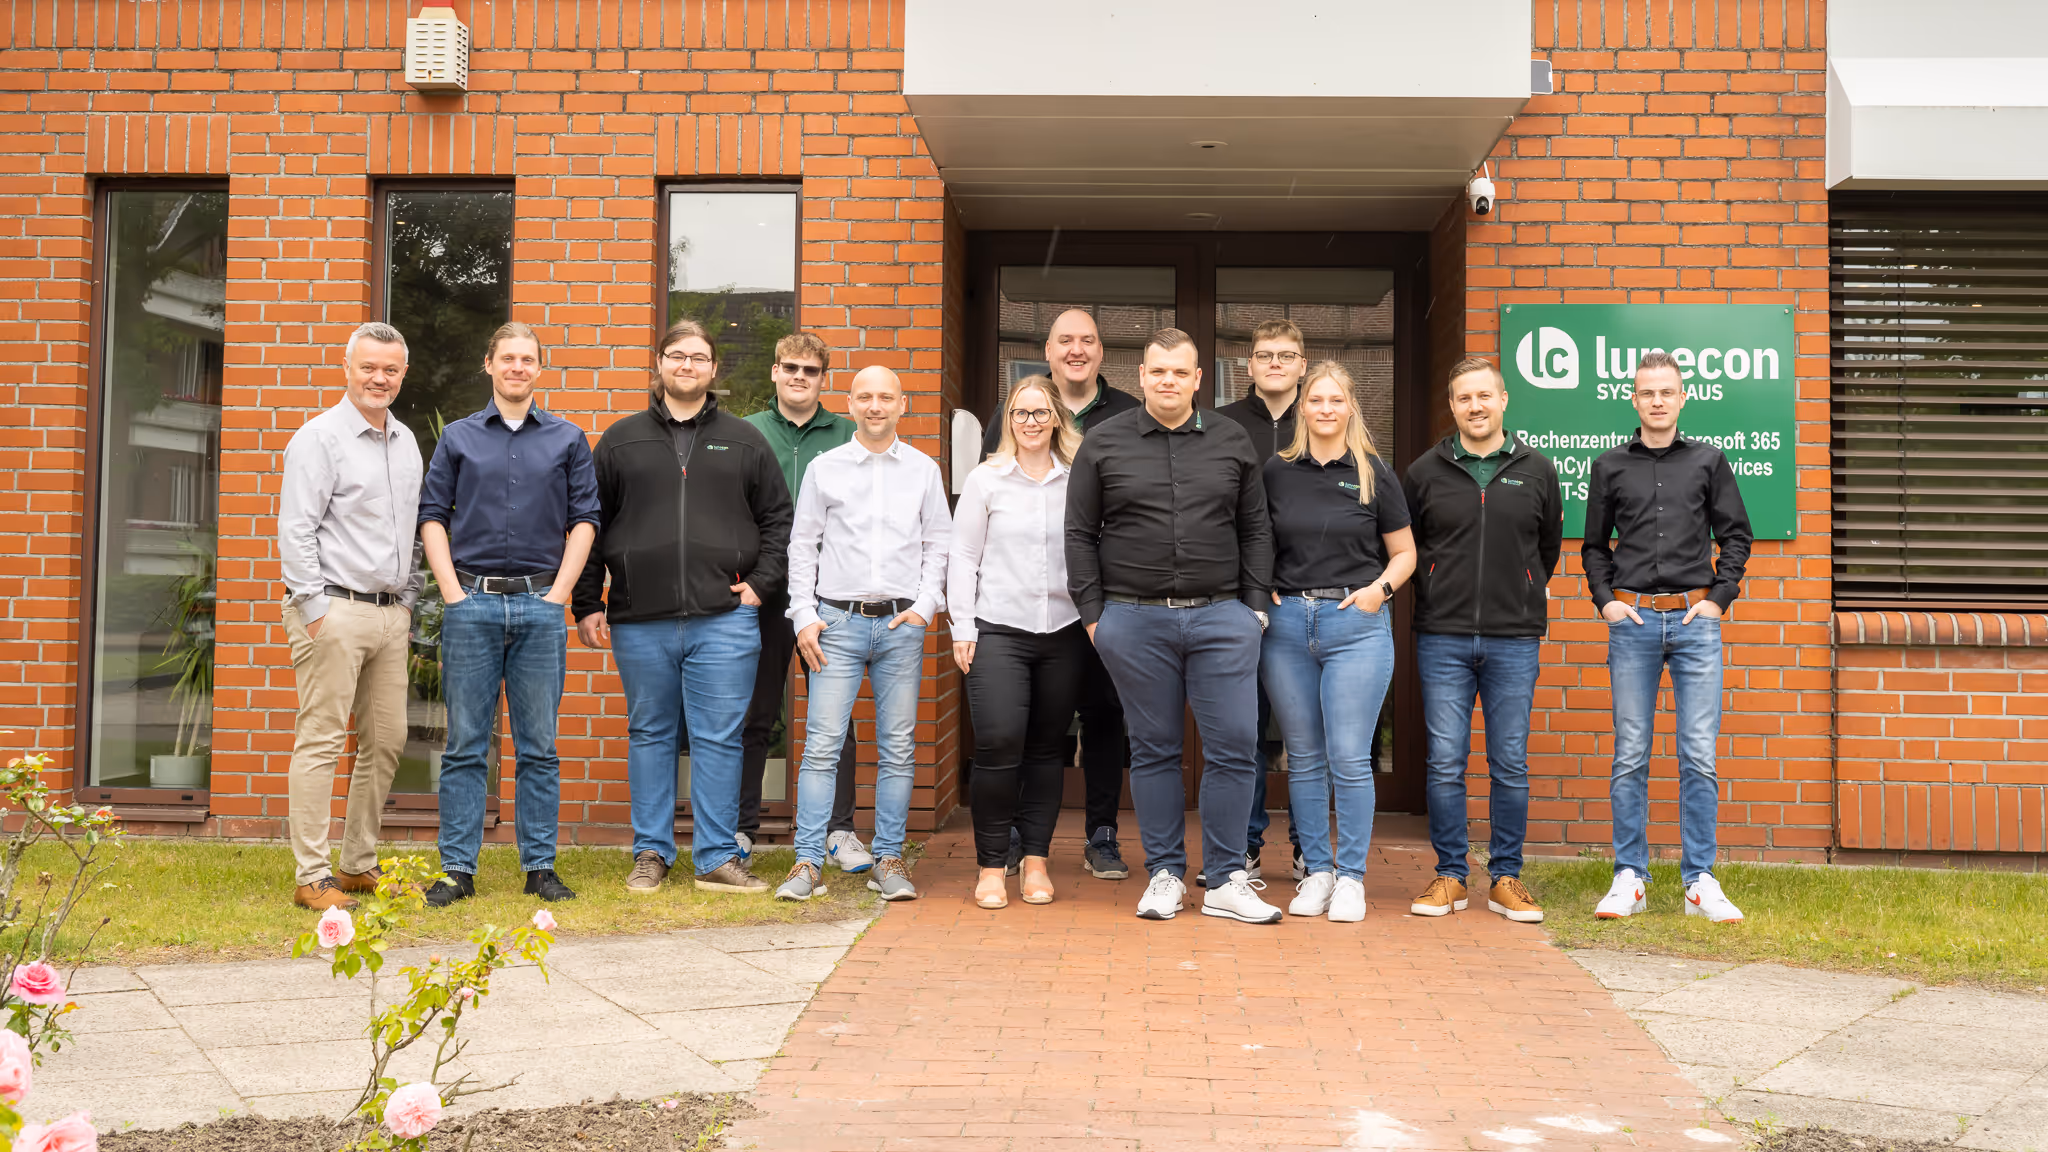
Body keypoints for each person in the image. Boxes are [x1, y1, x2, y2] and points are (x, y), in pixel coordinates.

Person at [1066, 327, 1281, 925]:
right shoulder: (1102, 443)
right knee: (1155, 750)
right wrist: (1093, 616)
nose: (1168, 381)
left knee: (1236, 746)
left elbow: (1255, 527)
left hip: (1221, 616)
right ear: (1141, 376)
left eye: (1179, 372)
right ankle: (1164, 873)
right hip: (1132, 619)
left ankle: (1228, 878)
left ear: (1197, 378)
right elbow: (1080, 533)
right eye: (1157, 371)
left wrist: (1255, 606)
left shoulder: (1232, 440)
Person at [572, 320, 793, 896]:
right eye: (677, 356)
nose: (687, 365)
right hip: (639, 619)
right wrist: (587, 601)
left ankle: (717, 856)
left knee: (720, 737)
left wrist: (760, 586)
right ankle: (651, 852)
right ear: (660, 364)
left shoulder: (745, 440)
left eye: (698, 357)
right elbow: (590, 526)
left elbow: (778, 520)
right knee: (650, 732)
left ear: (713, 369)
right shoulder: (621, 440)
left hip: (724, 618)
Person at [418, 322, 599, 907]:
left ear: (539, 370)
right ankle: (456, 871)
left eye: (528, 359)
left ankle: (540, 869)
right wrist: (452, 594)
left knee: (539, 747)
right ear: (489, 364)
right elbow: (432, 515)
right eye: (508, 358)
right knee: (467, 743)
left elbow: (585, 521)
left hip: (540, 606)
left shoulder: (568, 439)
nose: (518, 367)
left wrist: (560, 596)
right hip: (471, 604)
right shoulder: (460, 438)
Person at [1584, 349, 1753, 924]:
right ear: (1633, 399)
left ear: (1683, 398)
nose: (1657, 401)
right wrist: (1606, 601)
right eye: (1647, 392)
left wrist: (1716, 601)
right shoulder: (1609, 467)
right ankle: (1629, 877)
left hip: (1694, 624)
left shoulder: (1709, 462)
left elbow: (1737, 538)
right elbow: (1592, 546)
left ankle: (1699, 880)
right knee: (1630, 754)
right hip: (1631, 623)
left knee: (1698, 755)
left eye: (1667, 392)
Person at [776, 365, 950, 904]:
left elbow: (939, 543)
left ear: (904, 404)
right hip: (838, 624)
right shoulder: (826, 468)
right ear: (849, 404)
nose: (876, 406)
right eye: (865, 397)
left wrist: (925, 606)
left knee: (898, 749)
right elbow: (802, 545)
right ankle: (807, 862)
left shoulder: (923, 470)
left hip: (901, 626)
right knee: (822, 747)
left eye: (886, 397)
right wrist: (803, 614)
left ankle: (889, 858)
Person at [1401, 357, 1561, 924]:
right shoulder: (1424, 472)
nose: (1476, 406)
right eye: (1464, 398)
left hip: (1514, 637)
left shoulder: (1537, 470)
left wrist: (1521, 589)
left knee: (1509, 761)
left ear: (1503, 399)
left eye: (1484, 396)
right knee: (1445, 761)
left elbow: (1547, 550)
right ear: (1453, 407)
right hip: (1442, 636)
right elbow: (1407, 547)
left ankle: (1505, 878)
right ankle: (1450, 875)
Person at [983, 308, 1140, 882]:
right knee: (1029, 722)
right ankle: (1026, 837)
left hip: (1107, 598)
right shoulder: (1014, 411)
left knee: (1104, 713)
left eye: (1088, 341)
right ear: (1047, 352)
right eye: (1065, 341)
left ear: (1102, 352)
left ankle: (1101, 833)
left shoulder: (1129, 413)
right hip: (1027, 605)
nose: (1077, 350)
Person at [276, 321, 425, 911]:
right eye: (368, 367)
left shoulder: (407, 441)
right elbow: (296, 529)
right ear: (348, 368)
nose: (378, 378)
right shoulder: (320, 439)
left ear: (402, 374)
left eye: (390, 369)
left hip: (390, 615)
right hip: (333, 609)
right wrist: (315, 609)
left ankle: (358, 862)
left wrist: (409, 602)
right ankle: (311, 875)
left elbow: (412, 531)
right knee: (321, 741)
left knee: (386, 740)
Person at [1259, 363, 1414, 922]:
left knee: (1348, 758)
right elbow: (1255, 540)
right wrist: (1261, 590)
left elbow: (1405, 553)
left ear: (1351, 407)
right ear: (1303, 407)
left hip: (1355, 625)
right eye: (1316, 400)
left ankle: (1351, 878)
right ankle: (1317, 873)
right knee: (1302, 758)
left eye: (1335, 400)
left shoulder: (1374, 472)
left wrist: (1380, 591)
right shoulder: (1276, 471)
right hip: (1287, 627)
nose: (1325, 409)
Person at [949, 377, 1088, 909]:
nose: (1030, 422)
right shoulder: (987, 480)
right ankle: (990, 866)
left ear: (1056, 418)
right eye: (1020, 413)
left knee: (1047, 750)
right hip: (998, 629)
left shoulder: (1077, 480)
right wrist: (963, 626)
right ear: (1008, 422)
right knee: (999, 743)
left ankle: (1035, 861)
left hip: (1064, 631)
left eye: (1040, 413)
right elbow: (962, 557)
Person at [740, 333, 870, 874]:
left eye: (811, 370)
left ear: (824, 380)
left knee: (834, 718)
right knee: (755, 711)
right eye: (790, 367)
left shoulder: (849, 434)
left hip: (829, 595)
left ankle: (839, 831)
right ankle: (741, 829)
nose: (799, 376)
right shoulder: (745, 433)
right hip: (764, 590)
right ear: (774, 372)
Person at [1215, 317, 1310, 885]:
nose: (1275, 363)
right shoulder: (1223, 427)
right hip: (1239, 600)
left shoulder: (1325, 417)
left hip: (1304, 601)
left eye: (1286, 355)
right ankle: (1244, 848)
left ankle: (1307, 849)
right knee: (1242, 731)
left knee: (1304, 734)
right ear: (1248, 366)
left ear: (1302, 364)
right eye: (1264, 355)